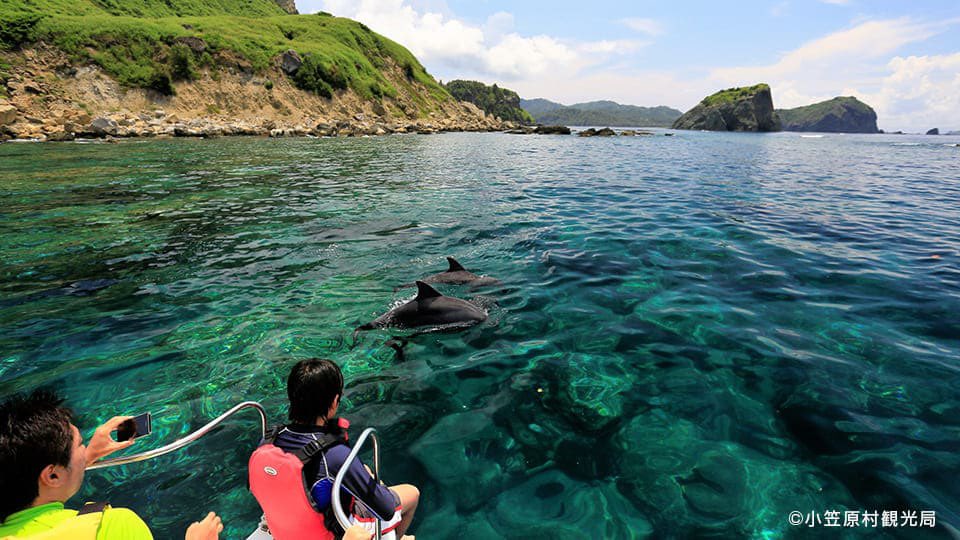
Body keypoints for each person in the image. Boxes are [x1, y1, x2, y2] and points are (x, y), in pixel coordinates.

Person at [0, 389, 223, 540]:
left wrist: (85, 457)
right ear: (52, 476)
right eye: (80, 444)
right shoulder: (112, 527)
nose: (84, 449)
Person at [256, 359, 419, 539]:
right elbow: (386, 509)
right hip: (328, 532)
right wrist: (374, 481)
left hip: (285, 530)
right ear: (334, 401)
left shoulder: (268, 440)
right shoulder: (334, 454)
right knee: (411, 494)